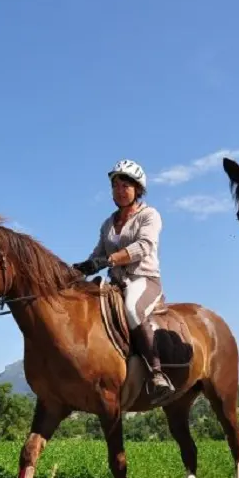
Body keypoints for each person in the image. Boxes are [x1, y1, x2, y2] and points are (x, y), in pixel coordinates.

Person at [73, 160, 176, 404]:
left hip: (144, 279)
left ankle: (157, 372)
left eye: (125, 185)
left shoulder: (149, 215)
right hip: (116, 284)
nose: (120, 190)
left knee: (131, 309)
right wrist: (77, 270)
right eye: (115, 186)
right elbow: (97, 254)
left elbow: (143, 247)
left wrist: (108, 260)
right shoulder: (108, 223)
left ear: (137, 189)